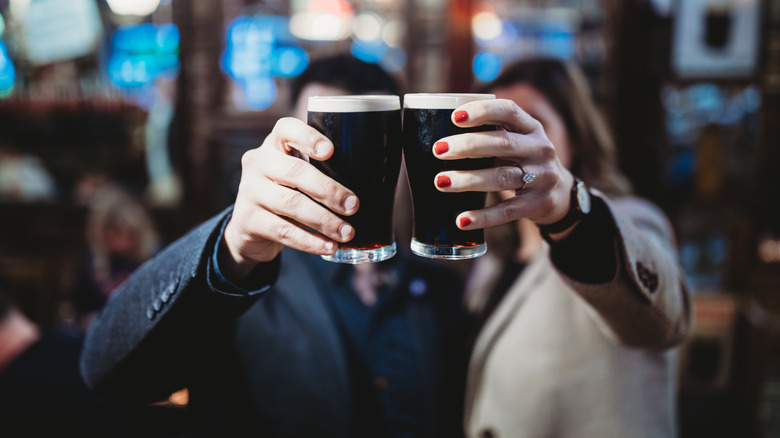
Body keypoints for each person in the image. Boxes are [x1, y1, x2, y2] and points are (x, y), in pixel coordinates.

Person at [80, 54, 470, 438]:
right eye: (327, 141)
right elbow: (109, 372)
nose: (353, 166)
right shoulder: (243, 282)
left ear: (401, 157)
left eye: (373, 144)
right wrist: (232, 247)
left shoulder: (440, 286)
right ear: (292, 150)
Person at [451, 58, 692, 438]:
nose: (507, 141)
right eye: (493, 127)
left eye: (531, 124)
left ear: (575, 137)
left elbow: (664, 322)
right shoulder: (493, 257)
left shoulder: (626, 221)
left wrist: (568, 210)